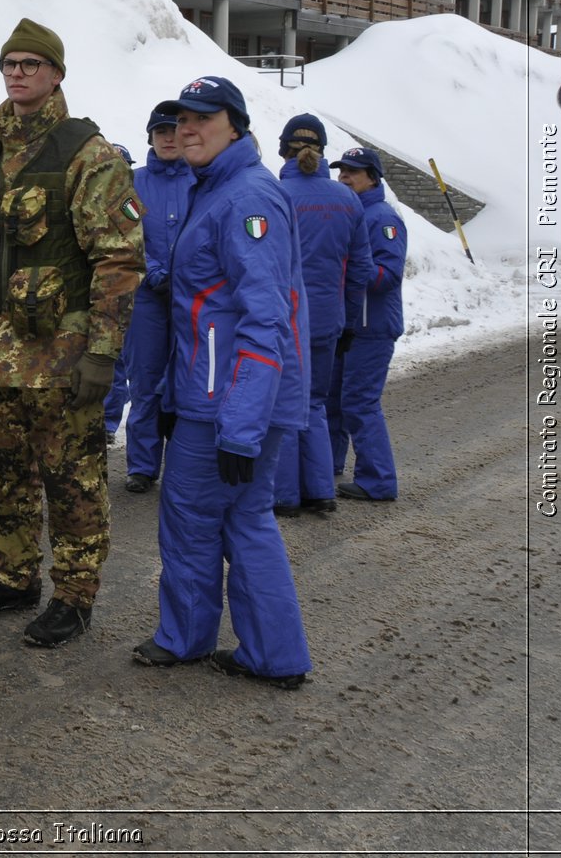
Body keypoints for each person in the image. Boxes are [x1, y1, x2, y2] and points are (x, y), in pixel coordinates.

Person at [0, 18, 144, 648]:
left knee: (71, 478)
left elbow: (118, 258)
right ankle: (14, 576)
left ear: (56, 74)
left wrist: (103, 352)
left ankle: (75, 595)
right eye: (11, 63)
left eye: (32, 63)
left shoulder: (89, 155)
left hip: (59, 356)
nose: (19, 73)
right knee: (3, 471)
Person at [131, 75, 311, 690]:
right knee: (246, 520)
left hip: (230, 405)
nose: (187, 131)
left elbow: (266, 320)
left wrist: (239, 426)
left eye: (202, 119)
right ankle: (272, 654)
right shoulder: (222, 188)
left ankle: (185, 639)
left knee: (191, 516)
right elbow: (209, 314)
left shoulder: (244, 200)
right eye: (181, 121)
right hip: (220, 398)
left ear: (234, 124)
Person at [272, 115, 371, 516]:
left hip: (284, 318)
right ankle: (319, 491)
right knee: (314, 402)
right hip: (328, 319)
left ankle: (284, 496)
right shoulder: (347, 199)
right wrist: (348, 320)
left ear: (284, 151)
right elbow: (360, 268)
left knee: (281, 405)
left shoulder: (274, 194)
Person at [121, 103, 193, 494]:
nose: (168, 137)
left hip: (192, 298)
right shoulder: (133, 183)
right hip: (147, 299)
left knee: (188, 382)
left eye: (175, 129)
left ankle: (185, 464)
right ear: (149, 136)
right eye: (160, 131)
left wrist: (186, 274)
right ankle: (143, 466)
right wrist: (153, 270)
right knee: (145, 382)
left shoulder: (201, 181)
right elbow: (124, 236)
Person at [327, 146, 406, 502]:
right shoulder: (351, 213)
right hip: (348, 325)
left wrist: (345, 267)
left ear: (372, 178)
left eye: (352, 172)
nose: (344, 178)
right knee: (332, 401)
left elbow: (388, 275)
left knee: (359, 403)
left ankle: (378, 482)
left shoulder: (383, 219)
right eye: (341, 171)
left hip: (372, 328)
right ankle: (325, 467)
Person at [102, 143, 137, 443]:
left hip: (131, 294)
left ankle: (109, 423)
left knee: (121, 363)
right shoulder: (93, 201)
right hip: (103, 294)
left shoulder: (134, 204)